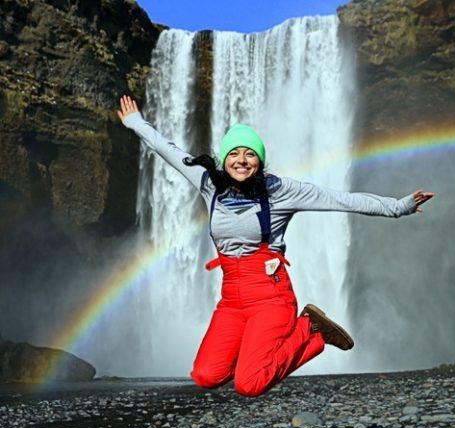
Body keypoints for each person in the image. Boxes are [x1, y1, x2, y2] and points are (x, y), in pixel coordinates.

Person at [117, 95, 434, 397]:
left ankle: (310, 329)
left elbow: (341, 199)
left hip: (271, 296)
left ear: (260, 159)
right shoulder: (208, 183)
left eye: (250, 154)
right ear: (224, 157)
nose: (242, 161)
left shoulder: (280, 190)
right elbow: (168, 150)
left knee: (249, 384)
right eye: (235, 154)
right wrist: (136, 124)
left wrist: (398, 207)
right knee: (205, 375)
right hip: (231, 300)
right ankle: (262, 355)